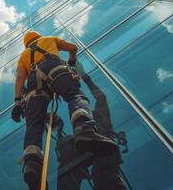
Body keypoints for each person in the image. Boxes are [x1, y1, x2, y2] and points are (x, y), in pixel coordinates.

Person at [11, 31, 117, 189]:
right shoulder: (48, 39)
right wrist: (72, 61)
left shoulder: (24, 56)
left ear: (26, 43)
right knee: (74, 95)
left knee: (34, 123)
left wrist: (18, 102)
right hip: (54, 67)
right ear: (38, 36)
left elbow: (20, 78)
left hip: (34, 80)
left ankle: (32, 163)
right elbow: (72, 48)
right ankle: (84, 130)